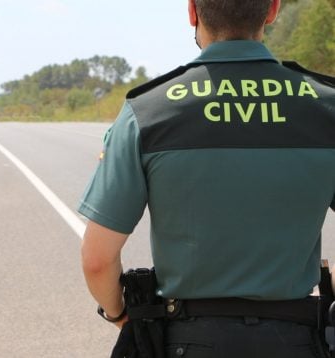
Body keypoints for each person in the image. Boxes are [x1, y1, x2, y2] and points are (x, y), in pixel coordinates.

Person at [78, 0, 335, 357]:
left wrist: (122, 314)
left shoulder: (148, 111)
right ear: (273, 9)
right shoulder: (326, 106)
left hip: (187, 339)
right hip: (296, 339)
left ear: (192, 12)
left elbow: (97, 260)